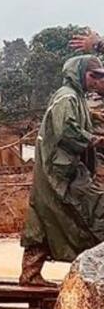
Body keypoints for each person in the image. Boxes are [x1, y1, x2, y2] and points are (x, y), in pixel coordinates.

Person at [19, 55, 104, 287]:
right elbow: (67, 131)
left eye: (100, 76)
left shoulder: (76, 98)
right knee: (96, 208)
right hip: (60, 172)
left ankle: (30, 274)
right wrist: (94, 140)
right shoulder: (67, 98)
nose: (97, 80)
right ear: (79, 74)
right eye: (93, 75)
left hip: (60, 170)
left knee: (45, 219)